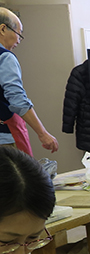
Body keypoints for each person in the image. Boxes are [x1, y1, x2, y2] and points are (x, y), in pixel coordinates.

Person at [0, 8, 58, 155]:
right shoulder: (5, 57)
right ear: (3, 29)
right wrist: (42, 133)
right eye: (18, 34)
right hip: (4, 139)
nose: (18, 41)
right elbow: (17, 100)